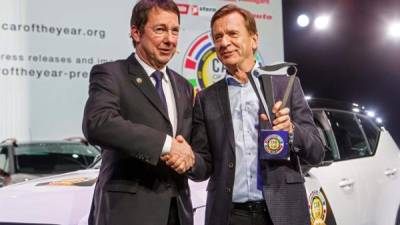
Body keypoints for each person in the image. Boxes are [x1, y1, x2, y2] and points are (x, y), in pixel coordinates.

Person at [186, 4, 325, 225]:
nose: (224, 42)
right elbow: (204, 167)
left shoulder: (286, 86)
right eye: (218, 37)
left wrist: (291, 131)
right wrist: (189, 160)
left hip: (282, 213)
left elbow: (317, 152)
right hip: (228, 215)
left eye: (232, 34)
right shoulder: (206, 99)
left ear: (254, 40)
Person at [82, 1, 195, 225]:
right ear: (136, 32)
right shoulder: (112, 74)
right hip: (128, 213)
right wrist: (165, 144)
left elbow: (189, 147)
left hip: (178, 213)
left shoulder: (184, 86)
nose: (169, 39)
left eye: (175, 31)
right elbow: (98, 123)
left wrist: (190, 159)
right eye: (160, 29)